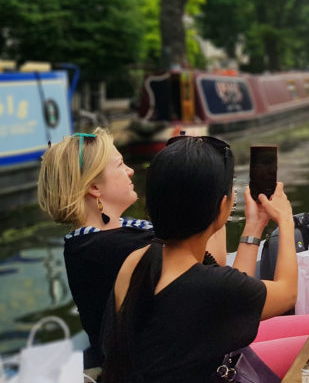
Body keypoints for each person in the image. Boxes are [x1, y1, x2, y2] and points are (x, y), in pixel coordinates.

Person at [101, 136, 309, 381]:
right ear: (223, 205)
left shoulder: (137, 261)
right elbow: (287, 293)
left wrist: (254, 226)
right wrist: (286, 220)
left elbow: (233, 294)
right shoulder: (205, 285)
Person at [37, 129, 227, 366]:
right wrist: (214, 187)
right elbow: (215, 265)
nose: (130, 171)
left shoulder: (102, 237)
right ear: (95, 188)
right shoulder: (113, 249)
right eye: (120, 165)